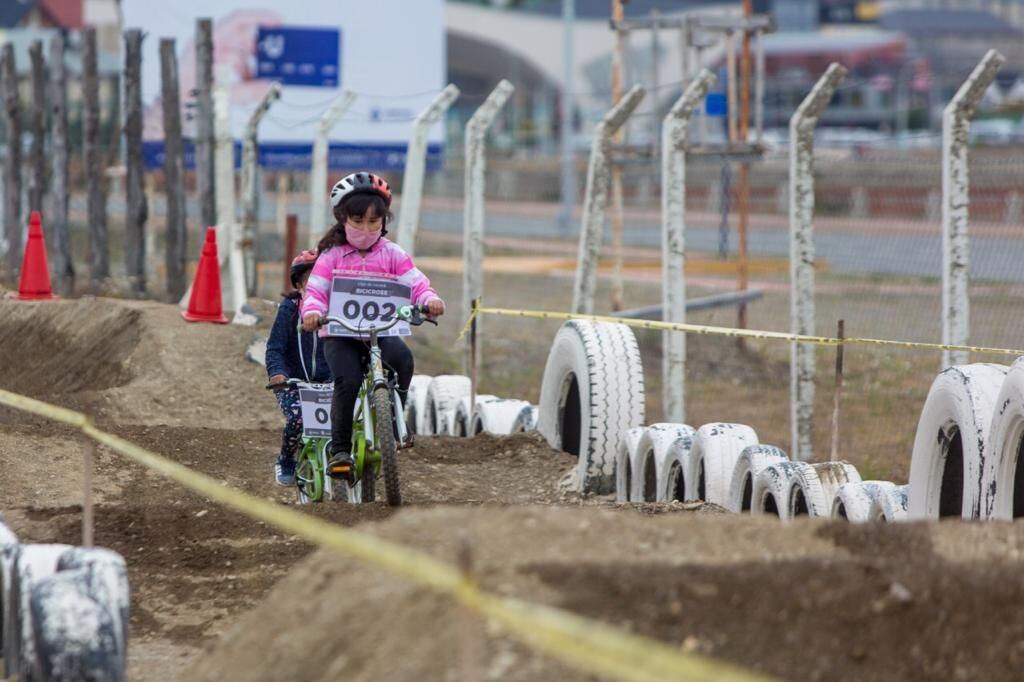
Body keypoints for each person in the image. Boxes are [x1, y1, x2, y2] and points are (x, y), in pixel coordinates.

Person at [300, 172, 444, 477]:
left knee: (403, 360)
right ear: (342, 219)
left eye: (373, 222)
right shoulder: (331, 257)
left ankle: (393, 420)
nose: (366, 229)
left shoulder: (394, 255)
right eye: (358, 221)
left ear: (384, 222)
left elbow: (416, 284)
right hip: (340, 334)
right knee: (347, 379)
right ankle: (340, 450)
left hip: (380, 332)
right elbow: (315, 291)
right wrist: (312, 313)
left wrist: (430, 299)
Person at [266, 249, 331, 486]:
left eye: (321, 280)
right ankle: (286, 458)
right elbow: (275, 347)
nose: (315, 286)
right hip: (294, 381)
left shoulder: (338, 311)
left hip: (329, 381)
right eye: (309, 280)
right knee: (297, 418)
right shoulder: (290, 308)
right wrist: (277, 373)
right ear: (299, 284)